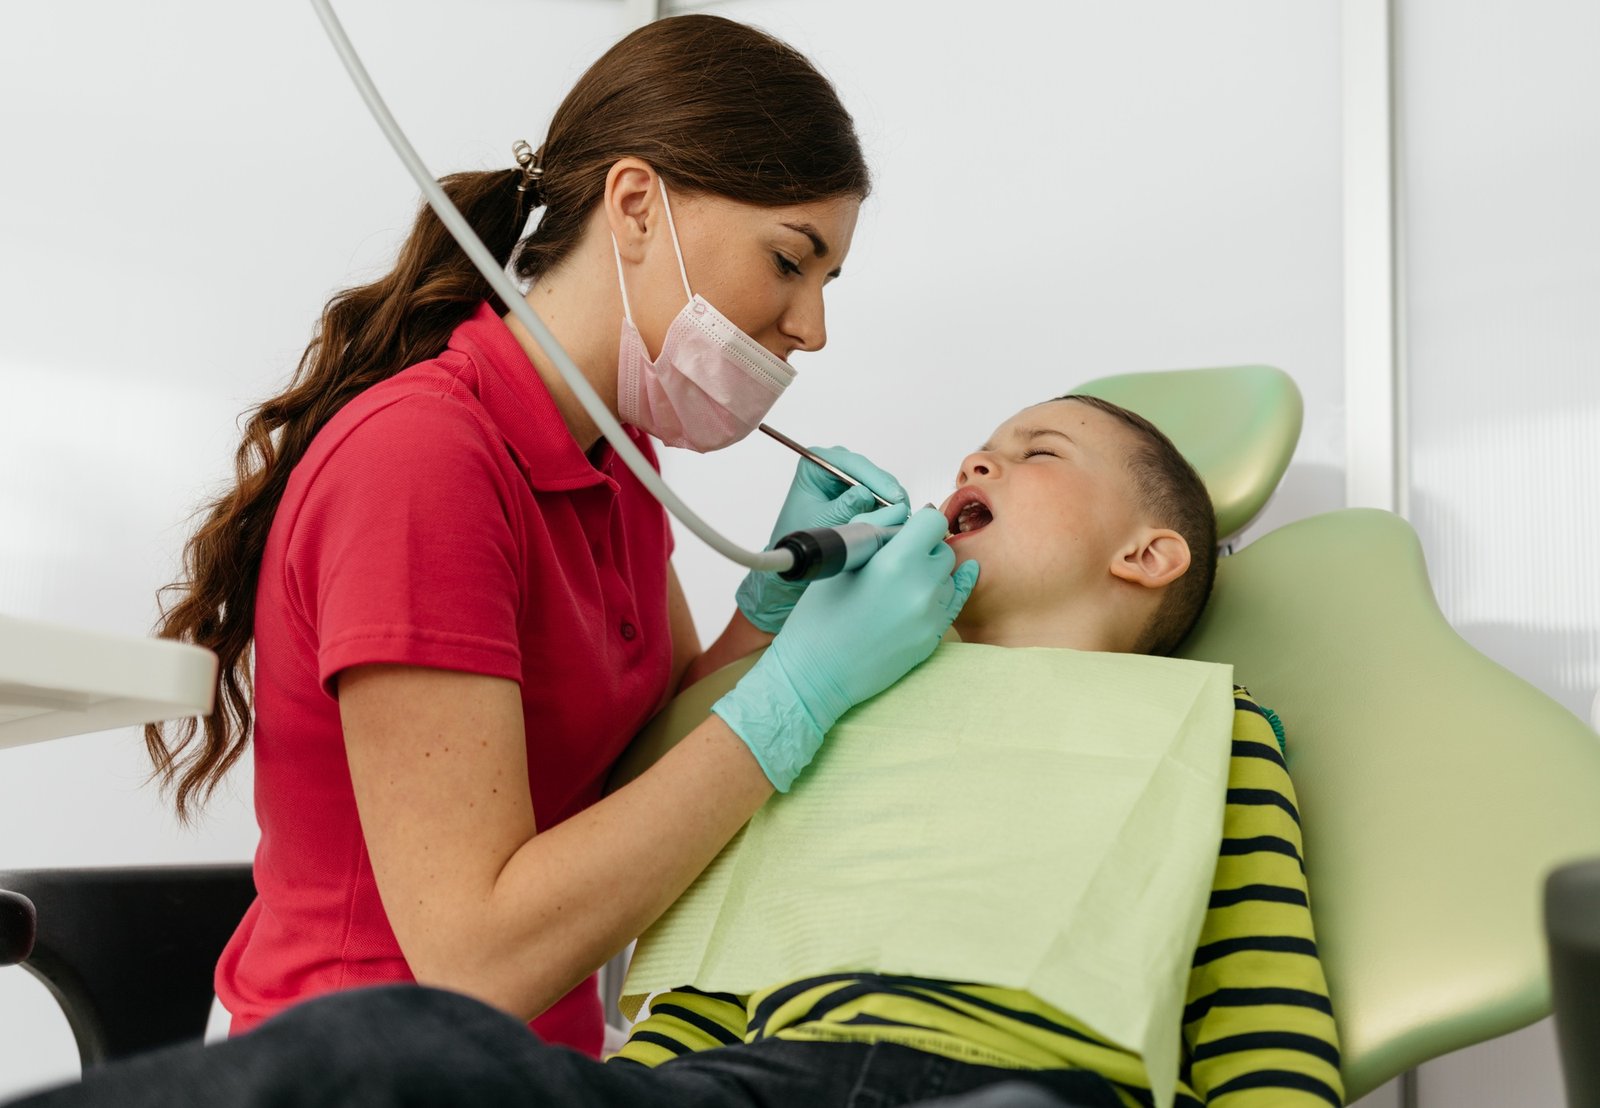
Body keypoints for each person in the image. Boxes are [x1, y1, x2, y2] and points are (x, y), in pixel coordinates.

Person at [13, 395, 1342, 1107]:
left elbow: (1265, 1032)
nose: (978, 456)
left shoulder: (1209, 735)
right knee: (392, 1043)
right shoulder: (844, 692)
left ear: (1148, 555)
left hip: (1018, 1090)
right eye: (977, 448)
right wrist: (771, 638)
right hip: (734, 1085)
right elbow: (678, 926)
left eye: (1034, 452)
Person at [138, 12, 975, 1058]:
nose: (810, 327)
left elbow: (637, 774)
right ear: (635, 205)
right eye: (789, 260)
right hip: (357, 1067)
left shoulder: (617, 448)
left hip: (539, 1067)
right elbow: (475, 960)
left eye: (824, 282)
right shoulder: (423, 462)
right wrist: (802, 692)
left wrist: (771, 623)